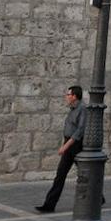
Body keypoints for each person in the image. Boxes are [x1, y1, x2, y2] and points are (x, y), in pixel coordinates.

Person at [35, 85, 87, 213]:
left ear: (74, 96)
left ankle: (98, 198)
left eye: (68, 94)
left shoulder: (82, 109)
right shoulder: (72, 109)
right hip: (69, 143)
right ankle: (49, 205)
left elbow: (80, 131)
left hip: (75, 145)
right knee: (60, 175)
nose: (66, 97)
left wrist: (66, 146)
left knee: (86, 174)